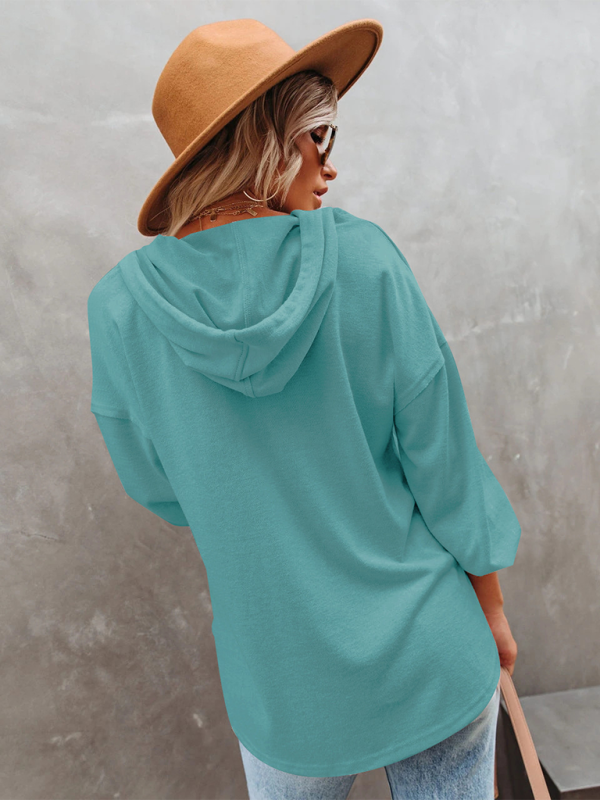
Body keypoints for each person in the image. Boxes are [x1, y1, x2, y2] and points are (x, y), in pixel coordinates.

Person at [87, 19, 520, 799]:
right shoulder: (366, 260)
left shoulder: (120, 310)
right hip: (430, 650)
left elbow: (160, 488)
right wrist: (490, 610)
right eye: (317, 136)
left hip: (281, 684)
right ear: (263, 141)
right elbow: (445, 464)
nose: (330, 162)